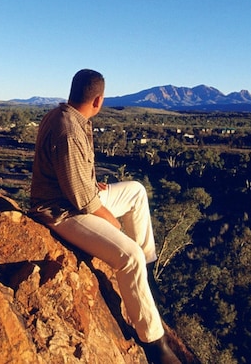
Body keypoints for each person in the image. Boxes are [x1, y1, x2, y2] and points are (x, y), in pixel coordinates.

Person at [29, 69, 180, 364]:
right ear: (98, 99)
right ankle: (155, 344)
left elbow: (77, 178)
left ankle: (147, 275)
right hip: (61, 210)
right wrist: (110, 219)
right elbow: (82, 200)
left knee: (136, 191)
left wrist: (90, 181)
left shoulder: (70, 116)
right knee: (129, 256)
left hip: (76, 195)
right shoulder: (69, 129)